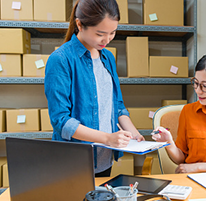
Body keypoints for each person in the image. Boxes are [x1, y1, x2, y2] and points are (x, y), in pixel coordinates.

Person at [44, 0, 144, 177]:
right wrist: (107, 138)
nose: (107, 40)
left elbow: (117, 105)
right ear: (80, 24)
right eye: (100, 34)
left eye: (113, 33)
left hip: (104, 158)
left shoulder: (108, 58)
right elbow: (61, 120)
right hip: (72, 162)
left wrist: (134, 134)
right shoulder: (61, 59)